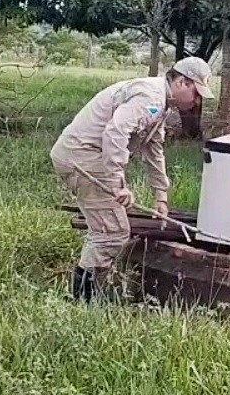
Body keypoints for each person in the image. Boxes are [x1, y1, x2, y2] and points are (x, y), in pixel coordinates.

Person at [50, 57, 215, 302]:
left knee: (108, 228)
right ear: (181, 82)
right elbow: (115, 132)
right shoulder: (150, 98)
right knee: (112, 231)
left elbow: (154, 148)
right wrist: (118, 183)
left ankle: (91, 293)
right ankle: (83, 299)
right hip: (81, 156)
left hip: (86, 156)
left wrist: (161, 196)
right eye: (196, 92)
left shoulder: (160, 104)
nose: (197, 101)